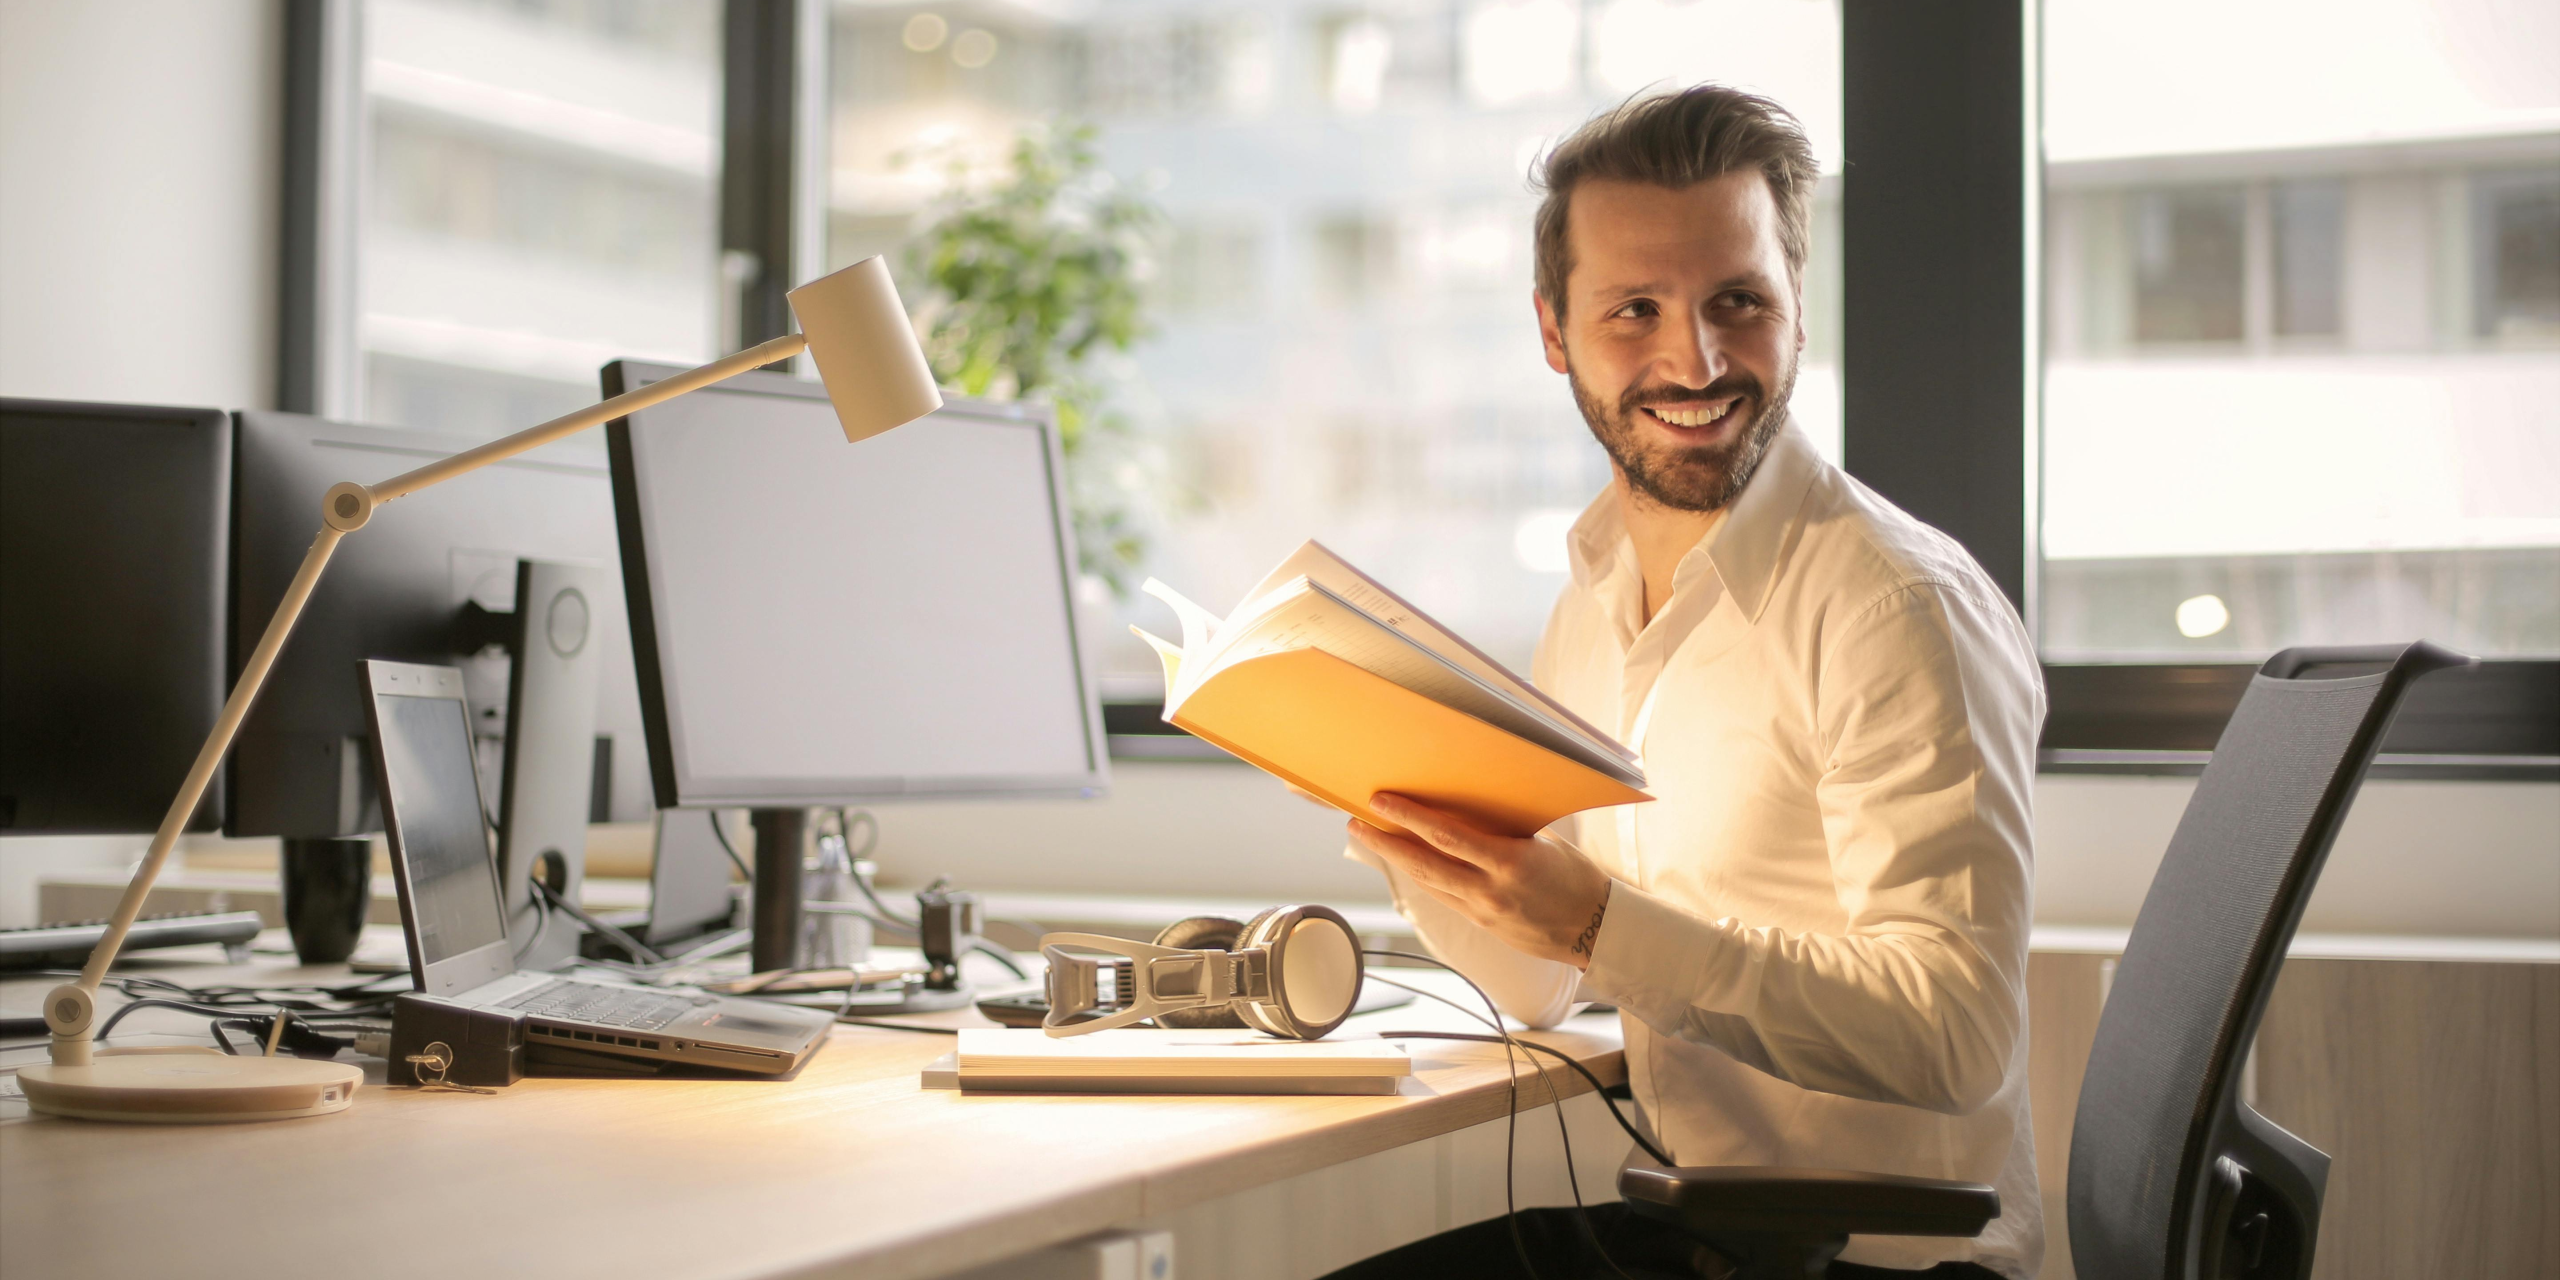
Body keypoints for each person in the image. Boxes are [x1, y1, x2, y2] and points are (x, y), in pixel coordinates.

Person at [1328, 85, 2044, 1280]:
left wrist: (1597, 919)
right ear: (1555, 333)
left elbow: (1954, 1032)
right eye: (1634, 310)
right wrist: (1415, 833)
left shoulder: (1892, 606)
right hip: (1704, 1232)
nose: (1694, 357)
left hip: (1887, 1262)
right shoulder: (1597, 592)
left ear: (1796, 310)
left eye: (1737, 302)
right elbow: (1544, 986)